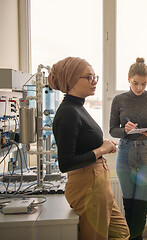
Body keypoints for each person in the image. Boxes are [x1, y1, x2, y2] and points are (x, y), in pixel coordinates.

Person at [49, 57, 130, 240]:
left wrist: (104, 146)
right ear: (71, 80)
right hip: (87, 184)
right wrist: (101, 150)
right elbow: (66, 163)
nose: (94, 82)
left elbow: (83, 142)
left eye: (95, 77)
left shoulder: (78, 108)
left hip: (97, 180)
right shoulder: (69, 112)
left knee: (121, 233)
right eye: (89, 77)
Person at [109, 57, 147, 240]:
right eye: (135, 83)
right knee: (129, 204)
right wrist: (124, 130)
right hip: (125, 151)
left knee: (141, 206)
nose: (139, 88)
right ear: (128, 79)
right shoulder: (119, 100)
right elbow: (112, 130)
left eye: (143, 83)